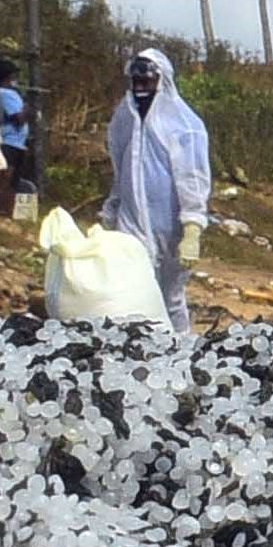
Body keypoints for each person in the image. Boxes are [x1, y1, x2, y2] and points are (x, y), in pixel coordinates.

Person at [102, 46, 214, 340]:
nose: (141, 89)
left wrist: (192, 228)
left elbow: (193, 177)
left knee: (170, 295)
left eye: (147, 83)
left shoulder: (184, 126)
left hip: (171, 227)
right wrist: (110, 211)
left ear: (161, 82)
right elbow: (122, 167)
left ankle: (181, 349)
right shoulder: (124, 119)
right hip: (132, 221)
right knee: (133, 290)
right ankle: (136, 352)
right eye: (136, 83)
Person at [0, 58, 32, 218]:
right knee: (6, 178)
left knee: (13, 180)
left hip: (17, 143)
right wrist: (29, 108)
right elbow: (18, 118)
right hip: (9, 142)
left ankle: (7, 212)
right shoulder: (4, 94)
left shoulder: (12, 94)